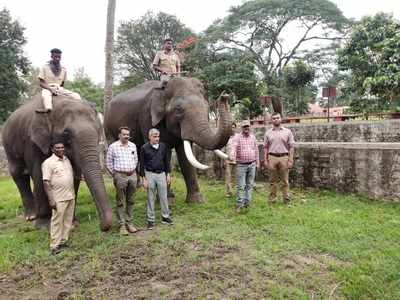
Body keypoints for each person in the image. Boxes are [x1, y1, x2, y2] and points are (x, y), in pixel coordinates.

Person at [42, 140, 75, 254]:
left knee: (67, 220)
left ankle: (63, 241)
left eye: (62, 147)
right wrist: (51, 199)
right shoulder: (48, 163)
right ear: (52, 149)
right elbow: (46, 182)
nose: (61, 149)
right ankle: (54, 246)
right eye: (57, 148)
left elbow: (69, 175)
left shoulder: (66, 160)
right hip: (58, 198)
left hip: (70, 195)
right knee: (57, 221)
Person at [106, 127, 139, 235]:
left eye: (128, 134)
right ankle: (122, 225)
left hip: (132, 175)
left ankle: (129, 223)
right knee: (120, 201)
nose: (126, 136)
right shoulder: (113, 147)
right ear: (119, 135)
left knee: (131, 200)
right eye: (124, 134)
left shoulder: (132, 146)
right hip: (120, 176)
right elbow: (109, 162)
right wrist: (115, 175)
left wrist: (134, 171)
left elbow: (136, 159)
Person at [140, 128, 173, 230]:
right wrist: (143, 178)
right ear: (149, 137)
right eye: (154, 136)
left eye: (158, 136)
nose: (157, 138)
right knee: (151, 197)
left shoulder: (163, 147)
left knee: (163, 196)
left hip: (161, 174)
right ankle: (151, 220)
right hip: (150, 174)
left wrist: (168, 174)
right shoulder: (144, 148)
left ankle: (165, 217)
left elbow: (166, 161)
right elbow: (141, 164)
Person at [263, 112, 295, 204]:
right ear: (271, 120)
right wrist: (265, 160)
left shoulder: (287, 132)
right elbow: (265, 147)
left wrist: (290, 159)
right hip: (272, 157)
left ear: (281, 119)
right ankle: (272, 199)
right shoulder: (268, 133)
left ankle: (286, 200)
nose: (276, 119)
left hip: (284, 157)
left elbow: (291, 146)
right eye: (274, 118)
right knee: (272, 181)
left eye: (277, 118)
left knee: (285, 181)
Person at [36, 48, 81, 113]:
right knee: (46, 96)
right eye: (55, 56)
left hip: (59, 89)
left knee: (76, 95)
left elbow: (62, 83)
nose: (57, 58)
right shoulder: (45, 67)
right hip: (48, 88)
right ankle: (48, 109)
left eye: (59, 57)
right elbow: (41, 82)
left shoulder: (63, 69)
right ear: (51, 56)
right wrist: (50, 89)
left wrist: (60, 90)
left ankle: (79, 109)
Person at [229, 120, 260, 212]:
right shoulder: (237, 137)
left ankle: (247, 203)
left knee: (249, 185)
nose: (246, 128)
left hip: (252, 164)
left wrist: (257, 162)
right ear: (241, 128)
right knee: (241, 186)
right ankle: (239, 204)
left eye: (248, 126)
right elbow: (233, 147)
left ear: (250, 127)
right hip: (241, 165)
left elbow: (256, 150)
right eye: (244, 126)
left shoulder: (253, 137)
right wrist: (232, 154)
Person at [225, 122, 237, 197]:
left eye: (233, 127)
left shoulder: (238, 137)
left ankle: (235, 191)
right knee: (228, 177)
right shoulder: (225, 138)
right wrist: (224, 160)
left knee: (235, 177)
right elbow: (223, 150)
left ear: (235, 128)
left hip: (237, 160)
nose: (232, 129)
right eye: (231, 127)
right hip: (228, 161)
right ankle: (229, 193)